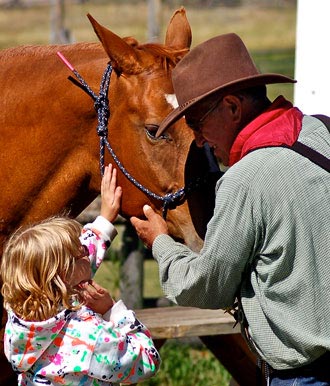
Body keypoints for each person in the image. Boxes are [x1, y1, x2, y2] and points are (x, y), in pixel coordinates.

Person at [130, 33, 330, 385]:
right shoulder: (322, 130)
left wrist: (161, 244)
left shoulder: (244, 181)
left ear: (233, 107)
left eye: (197, 124)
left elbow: (209, 287)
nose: (201, 141)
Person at [1, 164, 160, 386]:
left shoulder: (20, 324)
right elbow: (146, 361)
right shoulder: (89, 337)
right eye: (81, 253)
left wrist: (105, 219)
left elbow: (75, 264)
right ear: (63, 277)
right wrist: (111, 311)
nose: (87, 252)